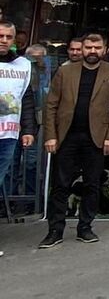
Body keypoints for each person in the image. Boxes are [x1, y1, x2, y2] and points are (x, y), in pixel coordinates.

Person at [40, 33, 109, 248]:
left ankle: (85, 227)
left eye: (97, 47)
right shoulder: (65, 71)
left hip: (95, 137)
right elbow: (51, 105)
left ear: (104, 49)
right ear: (82, 48)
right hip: (66, 136)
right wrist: (50, 135)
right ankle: (55, 230)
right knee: (60, 185)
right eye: (88, 47)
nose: (92, 51)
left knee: (92, 184)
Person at [0, 22, 36, 257]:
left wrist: (28, 129)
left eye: (8, 37)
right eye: (0, 35)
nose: (4, 39)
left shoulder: (23, 65)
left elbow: (27, 100)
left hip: (8, 136)